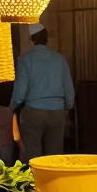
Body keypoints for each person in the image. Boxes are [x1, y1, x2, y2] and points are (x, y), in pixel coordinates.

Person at [9, 26, 74, 159]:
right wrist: (68, 106)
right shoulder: (59, 59)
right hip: (57, 112)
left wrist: (12, 107)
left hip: (33, 112)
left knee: (33, 154)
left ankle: (34, 179)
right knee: (55, 155)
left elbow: (20, 91)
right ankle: (53, 179)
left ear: (32, 40)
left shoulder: (25, 60)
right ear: (46, 39)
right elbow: (68, 87)